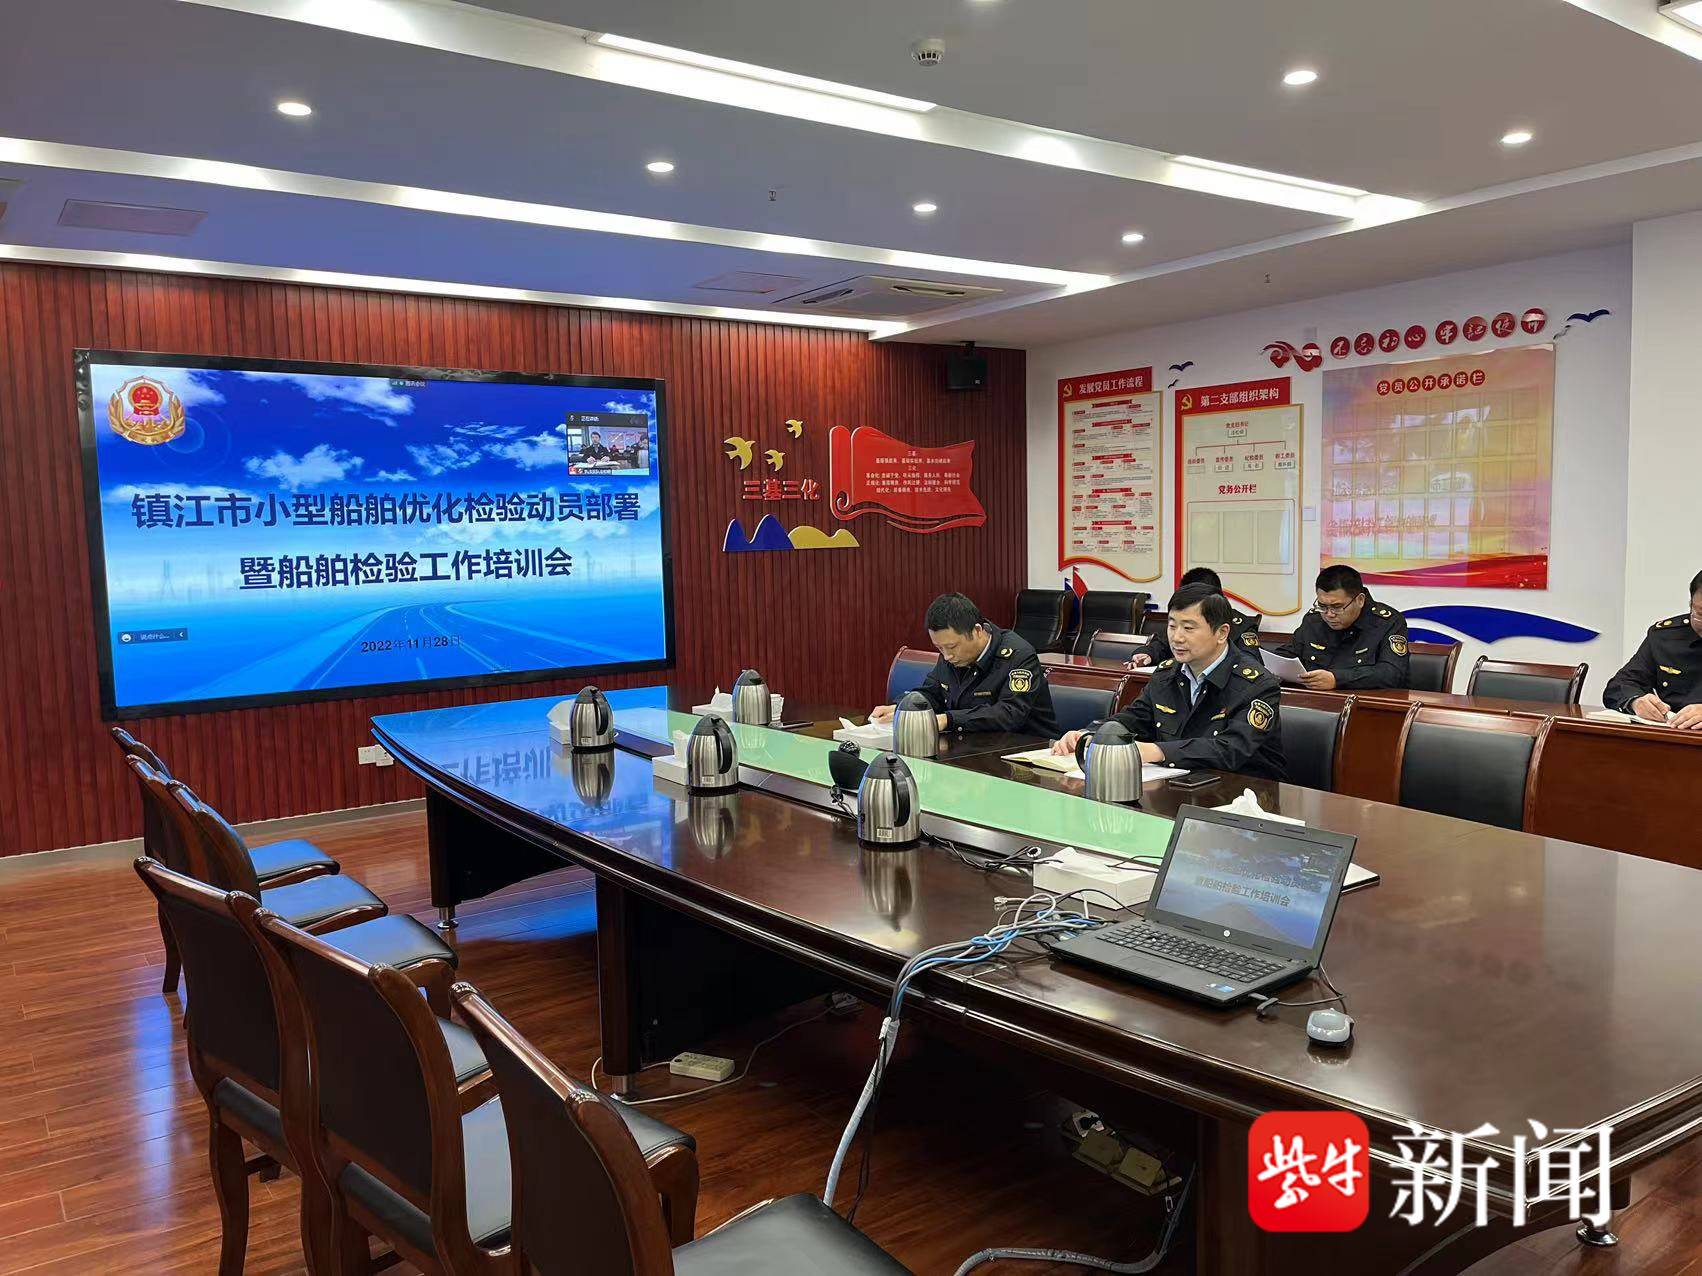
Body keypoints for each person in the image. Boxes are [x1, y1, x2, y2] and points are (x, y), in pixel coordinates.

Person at [1052, 584, 1286, 780]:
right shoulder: (1166, 674)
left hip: (1245, 797)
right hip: (1179, 788)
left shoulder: (1257, 684)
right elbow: (1134, 718)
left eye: (1188, 628)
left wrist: (1154, 751)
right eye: (1172, 626)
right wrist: (1092, 735)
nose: (1176, 637)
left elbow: (1230, 750)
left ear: (1222, 633)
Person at [870, 592, 1058, 736]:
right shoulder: (950, 654)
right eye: (939, 648)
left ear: (977, 631)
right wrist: (904, 708)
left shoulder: (1018, 655)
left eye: (951, 646)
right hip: (973, 748)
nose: (947, 656)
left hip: (1025, 755)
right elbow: (933, 693)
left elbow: (1009, 714)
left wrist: (947, 720)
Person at [1272, 564, 1409, 690]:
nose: (1329, 614)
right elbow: (1289, 654)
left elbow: (1392, 674)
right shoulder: (1314, 620)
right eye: (1322, 606)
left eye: (1337, 607)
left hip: (1366, 703)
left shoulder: (1388, 622)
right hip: (1312, 701)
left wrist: (1336, 680)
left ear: (1360, 600)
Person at [1603, 570, 1702, 728]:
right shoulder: (1666, 637)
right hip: (1671, 735)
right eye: (1700, 614)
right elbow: (1620, 685)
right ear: (1690, 605)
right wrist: (1636, 702)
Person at [1129, 566, 1263, 667]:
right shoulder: (1180, 622)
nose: (1177, 637)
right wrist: (1147, 654)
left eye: (1189, 628)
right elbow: (1161, 645)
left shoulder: (1242, 626)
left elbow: (1250, 663)